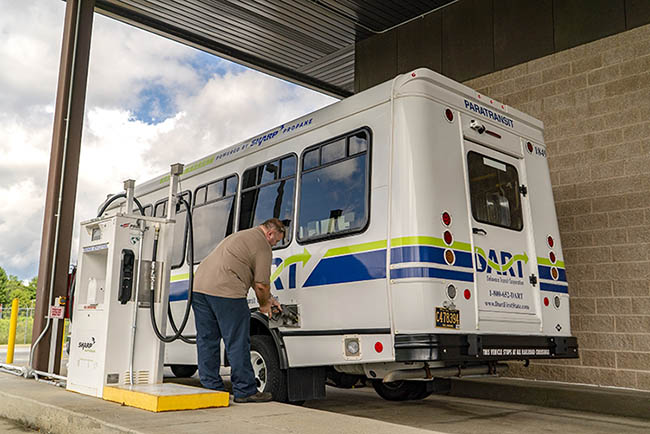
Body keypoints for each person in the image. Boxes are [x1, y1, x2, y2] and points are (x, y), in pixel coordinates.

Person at [192, 218, 284, 403]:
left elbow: (245, 271)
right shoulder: (263, 245)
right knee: (237, 340)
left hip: (199, 288)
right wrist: (265, 305)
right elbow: (260, 284)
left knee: (207, 340)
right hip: (226, 292)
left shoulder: (241, 236)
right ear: (270, 233)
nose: (276, 244)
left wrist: (270, 298)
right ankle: (245, 390)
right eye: (277, 240)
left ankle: (212, 389)